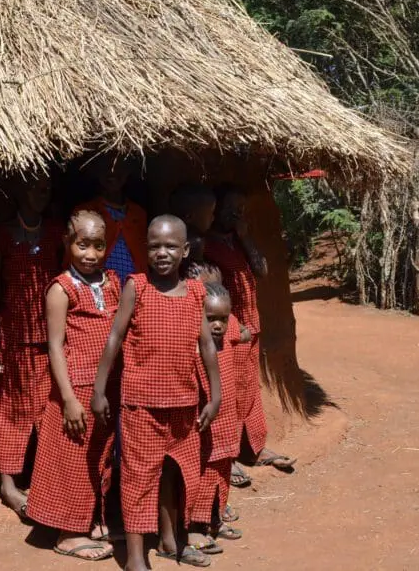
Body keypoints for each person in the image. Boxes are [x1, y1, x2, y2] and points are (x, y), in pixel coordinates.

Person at [92, 215, 222, 571]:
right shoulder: (137, 286)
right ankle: (136, 557)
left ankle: (169, 541)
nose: (161, 253)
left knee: (174, 473)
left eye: (169, 246)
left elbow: (207, 345)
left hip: (183, 404)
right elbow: (115, 338)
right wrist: (100, 389)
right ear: (145, 249)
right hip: (141, 406)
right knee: (138, 478)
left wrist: (215, 394)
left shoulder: (196, 292)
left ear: (185, 251)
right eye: (154, 246)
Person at [27, 211, 120, 561]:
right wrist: (67, 398)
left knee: (100, 456)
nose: (91, 254)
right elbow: (54, 346)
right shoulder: (60, 289)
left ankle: (93, 520)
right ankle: (68, 533)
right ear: (68, 244)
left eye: (98, 245)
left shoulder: (110, 282)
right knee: (74, 459)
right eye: (83, 245)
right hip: (76, 389)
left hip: (106, 388)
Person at [204, 186, 294, 490]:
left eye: (242, 209)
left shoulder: (239, 241)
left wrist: (245, 236)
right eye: (231, 208)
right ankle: (225, 458)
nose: (236, 214)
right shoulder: (206, 247)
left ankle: (255, 449)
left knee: (249, 391)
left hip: (251, 327)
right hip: (227, 332)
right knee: (226, 393)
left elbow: (263, 270)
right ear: (215, 210)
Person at [0, 174, 62, 518]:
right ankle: (8, 484)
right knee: (8, 411)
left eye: (46, 188)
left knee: (48, 409)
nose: (40, 194)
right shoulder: (2, 234)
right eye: (34, 187)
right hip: (12, 336)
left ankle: (46, 478)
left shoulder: (55, 232)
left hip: (48, 339)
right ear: (18, 191)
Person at [188, 283, 248, 554]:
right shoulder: (193, 348)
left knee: (222, 473)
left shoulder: (226, 341)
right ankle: (194, 528)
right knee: (202, 474)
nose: (217, 325)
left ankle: (214, 519)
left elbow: (245, 334)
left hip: (226, 425)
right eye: (210, 319)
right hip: (203, 428)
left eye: (223, 319)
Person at [74, 155, 147, 284]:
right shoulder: (86, 211)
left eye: (119, 166)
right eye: (105, 166)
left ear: (128, 170)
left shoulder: (138, 213)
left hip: (136, 290)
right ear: (96, 171)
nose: (112, 171)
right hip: (99, 288)